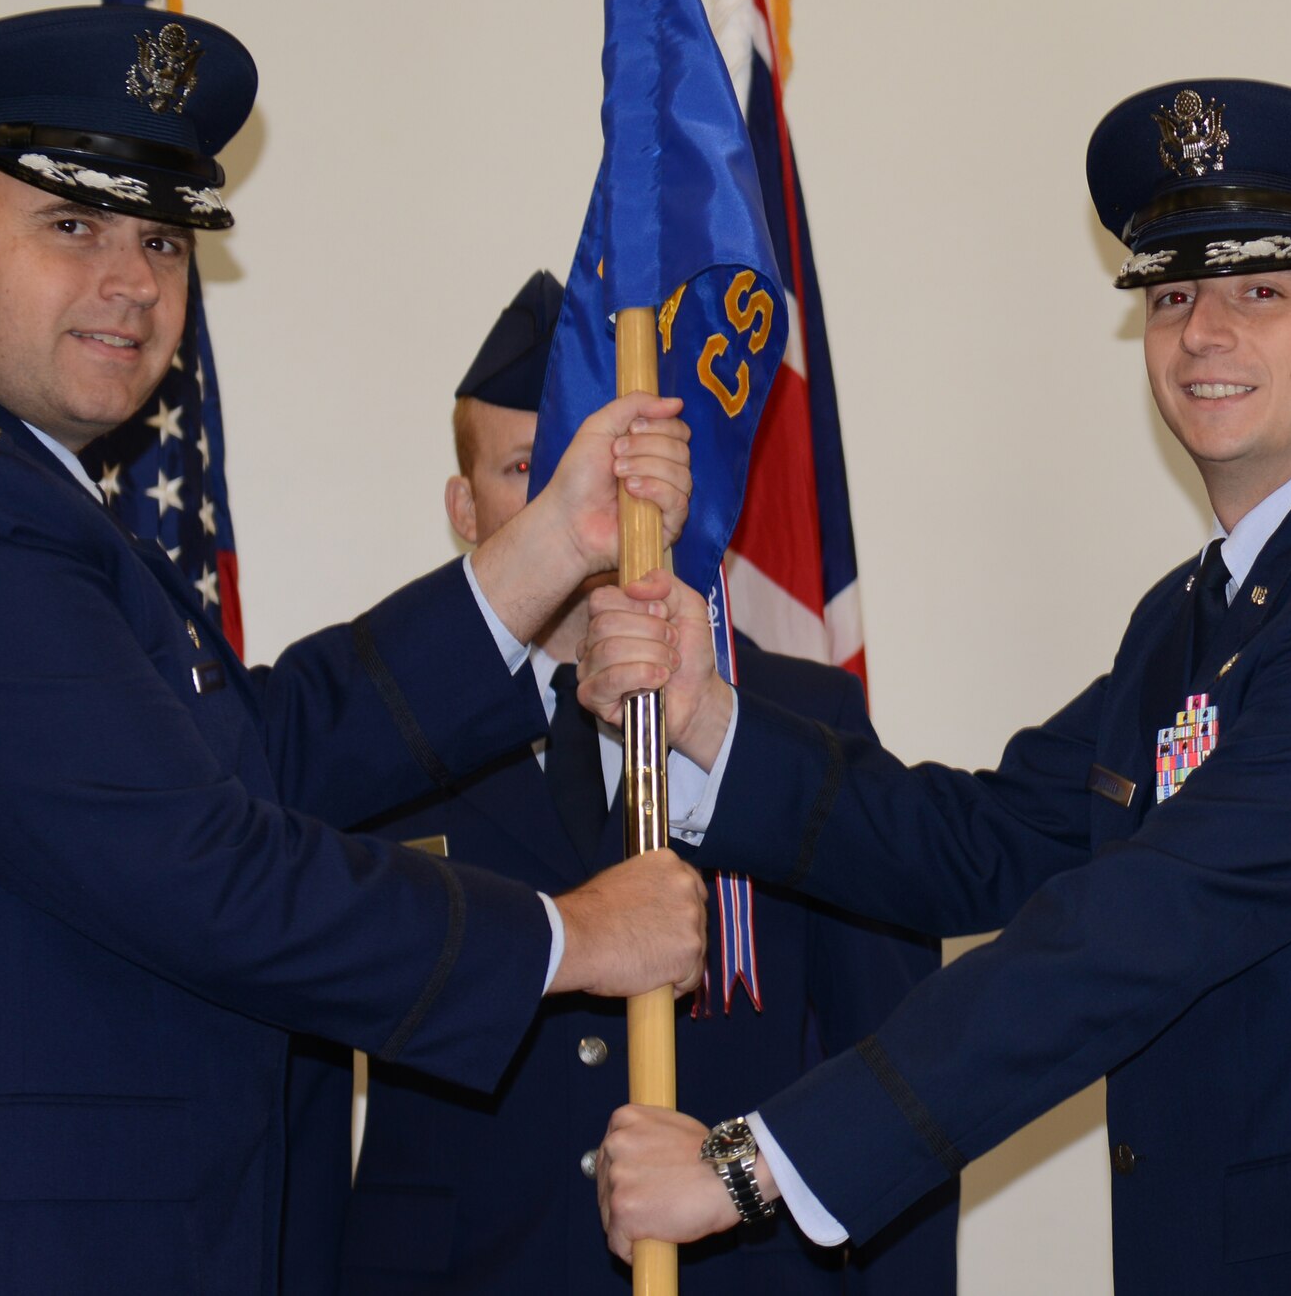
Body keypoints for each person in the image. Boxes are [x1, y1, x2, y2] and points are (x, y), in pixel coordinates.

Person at [0, 8, 708, 1296]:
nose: (132, 279)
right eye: (72, 226)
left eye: (160, 237)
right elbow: (200, 865)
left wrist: (550, 542)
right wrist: (565, 938)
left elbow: (246, 759)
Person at [581, 80, 1291, 1295]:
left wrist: (757, 1164)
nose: (1202, 333)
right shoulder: (1191, 618)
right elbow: (982, 841)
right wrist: (704, 716)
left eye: (1258, 292)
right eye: (1170, 295)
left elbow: (1136, 926)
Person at [291, 272, 955, 1295]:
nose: (579, 499)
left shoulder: (789, 724)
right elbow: (308, 1075)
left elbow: (898, 1058)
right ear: (465, 508)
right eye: (526, 467)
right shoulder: (382, 736)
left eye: (590, 461)